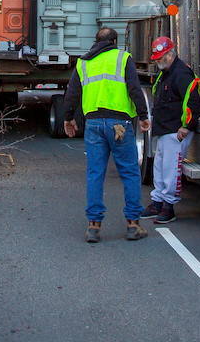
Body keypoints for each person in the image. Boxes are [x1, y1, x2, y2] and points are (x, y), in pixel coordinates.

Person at [63, 26, 150, 243]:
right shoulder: (122, 58)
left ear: (96, 41)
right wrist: (143, 114)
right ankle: (133, 224)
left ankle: (93, 226)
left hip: (93, 124)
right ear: (114, 41)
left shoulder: (83, 62)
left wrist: (68, 118)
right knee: (129, 173)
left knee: (95, 174)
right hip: (119, 124)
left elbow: (72, 92)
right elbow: (134, 88)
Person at [141, 36, 200, 225]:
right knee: (160, 166)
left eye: (161, 56)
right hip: (165, 128)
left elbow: (192, 100)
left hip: (175, 129)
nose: (158, 60)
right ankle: (158, 202)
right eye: (157, 57)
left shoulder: (181, 73)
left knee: (170, 168)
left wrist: (185, 126)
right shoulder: (167, 72)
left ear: (170, 54)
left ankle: (168, 205)